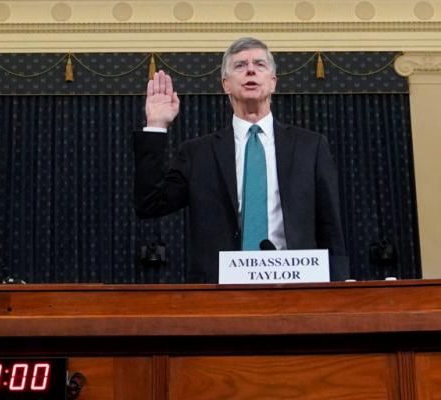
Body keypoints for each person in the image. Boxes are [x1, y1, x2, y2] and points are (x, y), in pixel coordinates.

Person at [134, 37, 348, 283]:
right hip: (220, 290)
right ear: (225, 84)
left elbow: (331, 229)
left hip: (296, 287)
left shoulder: (310, 147)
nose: (250, 70)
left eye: (259, 64)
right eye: (240, 65)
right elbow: (149, 204)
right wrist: (156, 125)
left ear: (273, 82)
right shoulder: (198, 153)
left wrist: (338, 291)